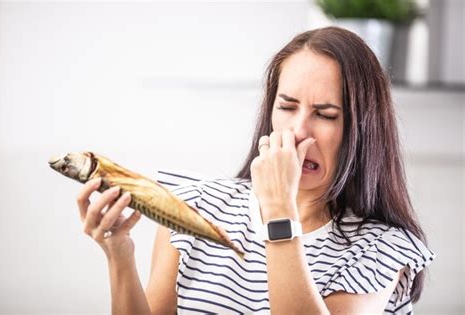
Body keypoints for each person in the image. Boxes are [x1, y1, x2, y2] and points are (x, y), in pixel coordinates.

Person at [76, 26, 435, 314]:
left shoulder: (383, 248)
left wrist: (279, 210)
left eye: (325, 114)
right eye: (287, 106)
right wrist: (119, 254)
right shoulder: (197, 207)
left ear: (364, 129)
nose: (298, 131)